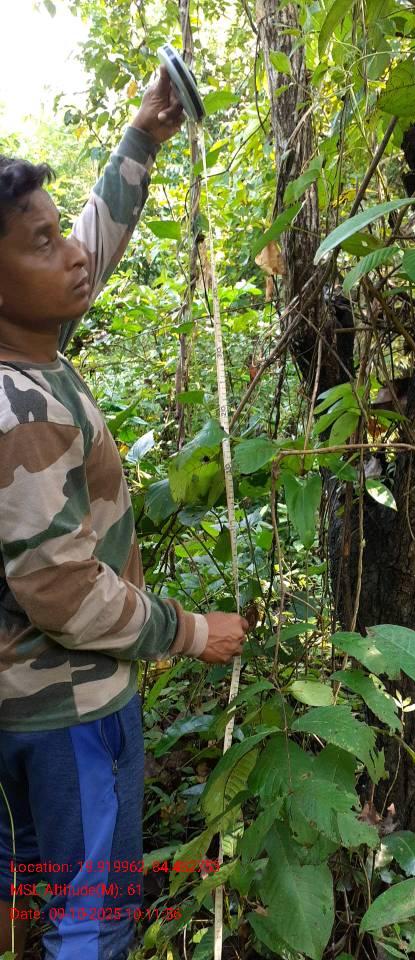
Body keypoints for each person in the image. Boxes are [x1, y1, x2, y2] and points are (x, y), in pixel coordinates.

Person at [0, 66, 249, 960]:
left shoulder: (28, 351)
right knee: (92, 918)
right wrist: (191, 632)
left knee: (31, 889)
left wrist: (143, 138)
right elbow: (62, 591)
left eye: (60, 231)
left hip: (24, 706)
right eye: (43, 243)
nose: (72, 254)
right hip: (65, 710)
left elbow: (88, 251)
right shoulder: (21, 412)